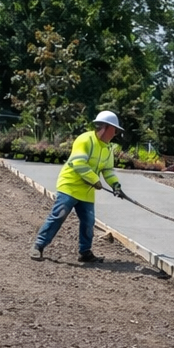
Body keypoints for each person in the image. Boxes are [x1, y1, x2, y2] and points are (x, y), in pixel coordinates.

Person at [30, 111, 129, 263]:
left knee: (89, 222)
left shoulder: (108, 149)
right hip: (69, 186)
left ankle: (85, 252)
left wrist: (116, 185)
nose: (115, 133)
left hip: (87, 191)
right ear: (106, 127)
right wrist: (95, 180)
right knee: (59, 215)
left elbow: (107, 170)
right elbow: (78, 162)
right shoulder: (85, 140)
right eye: (114, 129)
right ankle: (38, 246)